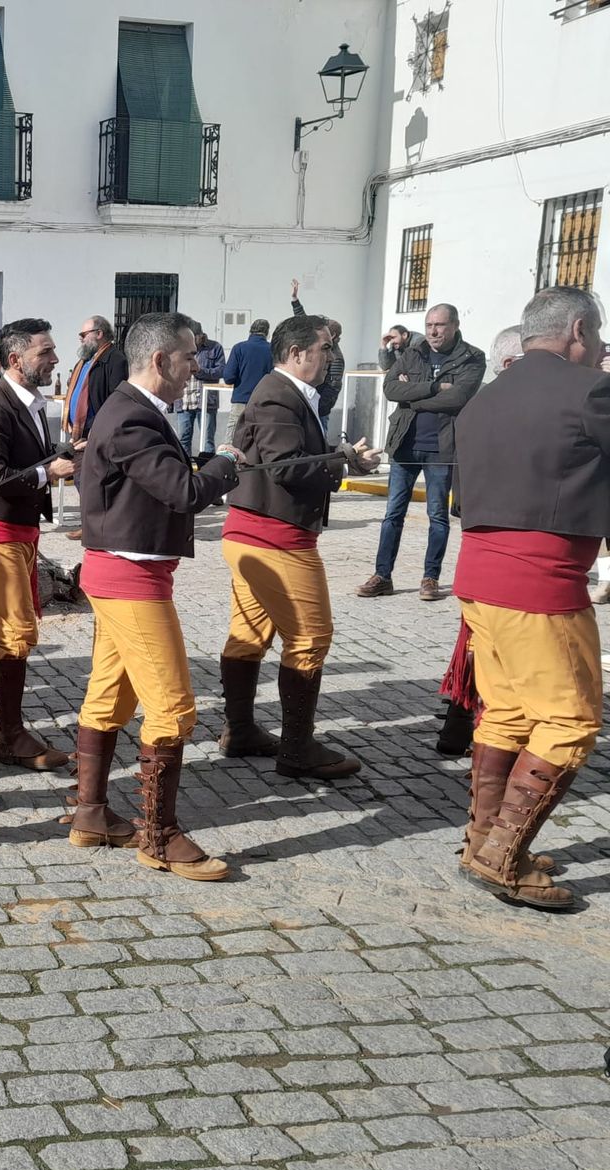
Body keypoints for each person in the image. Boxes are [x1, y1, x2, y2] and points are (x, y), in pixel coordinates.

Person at [446, 286, 608, 911]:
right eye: (596, 337)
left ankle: (482, 839)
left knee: (509, 712)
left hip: (480, 579)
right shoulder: (589, 389)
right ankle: (500, 856)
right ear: (577, 329)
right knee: (569, 721)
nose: (599, 350)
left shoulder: (484, 398)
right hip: (539, 583)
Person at [72, 312, 243, 881]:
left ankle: (91, 814)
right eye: (191, 356)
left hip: (128, 573)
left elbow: (165, 479)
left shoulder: (135, 410)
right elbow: (181, 491)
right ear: (161, 361)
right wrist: (224, 464)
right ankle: (159, 835)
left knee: (109, 699)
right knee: (172, 707)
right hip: (129, 579)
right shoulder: (131, 418)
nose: (198, 366)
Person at [218, 314, 382, 780]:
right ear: (297, 354)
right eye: (325, 348)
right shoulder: (276, 394)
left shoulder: (285, 392)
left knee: (249, 635)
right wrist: (344, 463)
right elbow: (286, 467)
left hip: (257, 533)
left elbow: (291, 458)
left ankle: (242, 730)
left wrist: (343, 460)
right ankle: (296, 749)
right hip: (276, 538)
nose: (331, 357)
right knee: (310, 639)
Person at [0, 317, 75, 775]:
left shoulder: (28, 401)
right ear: (17, 359)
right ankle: (11, 736)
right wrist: (48, 474)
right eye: (46, 351)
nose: (56, 358)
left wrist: (61, 453)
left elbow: (25, 457)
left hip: (16, 531)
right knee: (17, 633)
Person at [434, 322, 527, 756]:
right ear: (510, 363)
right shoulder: (504, 408)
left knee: (476, 643)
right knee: (490, 648)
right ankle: (481, 729)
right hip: (504, 544)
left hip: (487, 539)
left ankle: (458, 725)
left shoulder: (486, 404)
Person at [357, 303, 486, 601]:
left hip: (441, 447)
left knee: (437, 515)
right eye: (429, 325)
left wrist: (413, 394)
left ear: (454, 325)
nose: (433, 331)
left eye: (439, 325)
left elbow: (458, 397)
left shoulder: (472, 357)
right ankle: (382, 575)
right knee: (393, 514)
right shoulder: (413, 352)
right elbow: (391, 389)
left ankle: (430, 577)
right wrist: (434, 387)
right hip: (405, 442)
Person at [290, 283, 346, 428]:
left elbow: (333, 386)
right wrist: (295, 301)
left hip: (319, 411)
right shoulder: (321, 348)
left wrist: (318, 406)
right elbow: (305, 324)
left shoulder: (336, 357)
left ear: (331, 335)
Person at [61, 316, 126, 441]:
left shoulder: (116, 360)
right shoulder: (85, 360)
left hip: (96, 433)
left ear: (99, 333)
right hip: (78, 431)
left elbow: (116, 402)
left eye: (84, 334)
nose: (81, 338)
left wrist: (99, 431)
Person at [178, 321, 226, 456]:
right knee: (183, 439)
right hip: (184, 400)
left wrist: (200, 371)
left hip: (206, 401)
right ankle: (185, 470)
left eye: (194, 338)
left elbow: (222, 370)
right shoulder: (182, 347)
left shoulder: (215, 347)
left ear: (201, 335)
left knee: (207, 440)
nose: (192, 342)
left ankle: (207, 471)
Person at [221, 318, 274, 421]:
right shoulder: (273, 350)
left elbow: (228, 377)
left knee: (234, 435)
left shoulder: (239, 348)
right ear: (267, 333)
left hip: (241, 401)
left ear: (250, 331)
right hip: (265, 402)